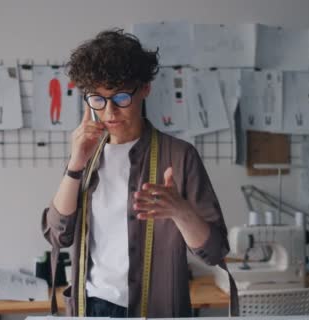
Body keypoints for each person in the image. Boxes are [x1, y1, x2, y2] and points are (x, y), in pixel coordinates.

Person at [41, 29, 237, 318]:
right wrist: (75, 165)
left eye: (121, 97)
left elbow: (215, 251)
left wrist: (181, 211)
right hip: (89, 307)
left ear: (145, 88)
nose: (109, 112)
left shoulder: (179, 157)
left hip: (156, 310)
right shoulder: (87, 154)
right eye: (97, 99)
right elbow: (57, 235)